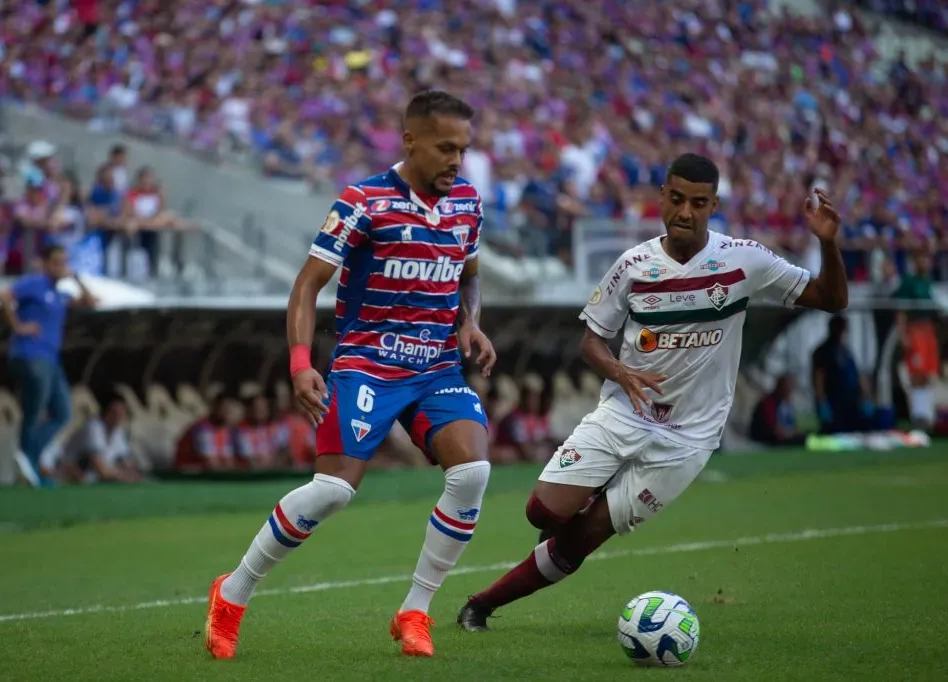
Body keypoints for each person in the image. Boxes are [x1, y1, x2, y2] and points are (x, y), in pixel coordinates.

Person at [455, 153, 848, 630]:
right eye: (677, 199)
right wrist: (621, 372)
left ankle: (480, 605)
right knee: (541, 510)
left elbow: (831, 299)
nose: (685, 212)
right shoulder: (633, 265)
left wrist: (828, 246)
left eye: (698, 203)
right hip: (623, 413)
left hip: (688, 439)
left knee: (583, 538)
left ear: (713, 205)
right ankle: (579, 511)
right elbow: (591, 340)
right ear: (662, 197)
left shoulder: (745, 260)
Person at [204, 90, 496, 659]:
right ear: (410, 140)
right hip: (367, 363)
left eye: (463, 149)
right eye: (445, 148)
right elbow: (307, 284)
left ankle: (416, 611)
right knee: (334, 491)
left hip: (435, 365)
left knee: (474, 473)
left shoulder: (467, 201)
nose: (456, 161)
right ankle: (232, 593)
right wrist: (299, 363)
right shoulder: (364, 200)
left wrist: (471, 324)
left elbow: (470, 273)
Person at [0, 244, 97, 487]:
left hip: (51, 359)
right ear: (45, 263)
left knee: (63, 412)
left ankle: (28, 457)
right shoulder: (34, 284)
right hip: (30, 354)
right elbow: (4, 296)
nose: (60, 267)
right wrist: (18, 326)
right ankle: (29, 461)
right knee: (35, 409)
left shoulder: (60, 293)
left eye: (63, 262)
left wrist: (76, 278)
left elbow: (91, 301)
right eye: (56, 262)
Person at [894, 251, 940, 431]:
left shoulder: (928, 282)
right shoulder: (908, 282)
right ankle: (918, 415)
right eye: (921, 258)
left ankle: (928, 415)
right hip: (915, 330)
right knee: (917, 373)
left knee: (928, 372)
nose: (924, 262)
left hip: (928, 331)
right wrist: (903, 334)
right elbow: (901, 310)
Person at [59, 397, 141, 483]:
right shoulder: (93, 427)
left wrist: (132, 473)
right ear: (106, 412)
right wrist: (124, 475)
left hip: (95, 479)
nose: (119, 416)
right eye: (115, 412)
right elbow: (101, 469)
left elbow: (127, 464)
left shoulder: (118, 432)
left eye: (122, 412)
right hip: (70, 477)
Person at [812, 315, 870, 434]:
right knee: (835, 430)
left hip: (850, 399)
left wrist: (865, 396)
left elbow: (857, 374)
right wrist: (822, 402)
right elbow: (819, 377)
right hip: (833, 399)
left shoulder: (846, 350)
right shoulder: (823, 351)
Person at [749, 374, 806, 446]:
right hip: (765, 436)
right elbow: (772, 426)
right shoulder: (769, 402)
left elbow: (791, 423)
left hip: (780, 433)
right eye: (787, 388)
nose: (789, 391)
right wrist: (788, 432)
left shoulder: (786, 403)